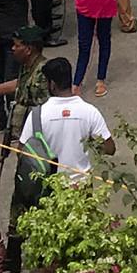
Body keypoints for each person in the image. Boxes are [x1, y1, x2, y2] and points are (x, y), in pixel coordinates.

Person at [20, 58, 111, 186]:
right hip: (82, 186)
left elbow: (23, 152)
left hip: (51, 188)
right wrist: (89, 141)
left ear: (52, 84)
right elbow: (110, 148)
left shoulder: (37, 115)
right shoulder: (89, 111)